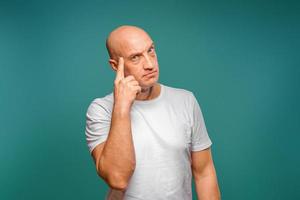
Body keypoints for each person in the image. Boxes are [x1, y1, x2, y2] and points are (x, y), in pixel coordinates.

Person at [85, 25, 221, 200]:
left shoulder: (186, 101)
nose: (149, 64)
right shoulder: (101, 109)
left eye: (150, 51)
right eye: (135, 58)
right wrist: (121, 106)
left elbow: (204, 172)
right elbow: (117, 179)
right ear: (115, 65)